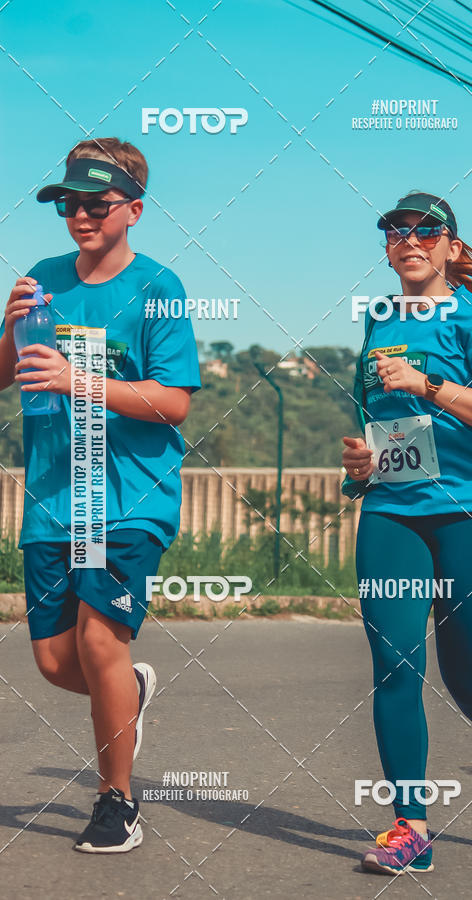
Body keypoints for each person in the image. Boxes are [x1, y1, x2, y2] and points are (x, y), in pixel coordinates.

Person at [0, 138, 201, 853]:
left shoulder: (159, 288)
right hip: (54, 498)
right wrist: (8, 323)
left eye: (96, 203)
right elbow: (5, 375)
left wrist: (79, 380)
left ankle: (117, 802)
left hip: (128, 499)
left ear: (134, 210)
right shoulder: (41, 280)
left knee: (97, 639)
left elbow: (174, 403)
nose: (79, 215)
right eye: (68, 204)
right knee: (58, 663)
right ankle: (130, 692)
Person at [341, 191, 472, 876]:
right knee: (395, 663)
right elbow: (376, 424)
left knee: (467, 671)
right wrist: (361, 463)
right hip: (393, 510)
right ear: (387, 248)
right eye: (396, 230)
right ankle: (411, 827)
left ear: (452, 247)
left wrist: (427, 386)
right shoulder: (377, 319)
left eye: (427, 230)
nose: (409, 239)